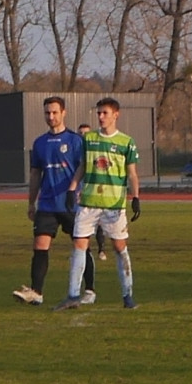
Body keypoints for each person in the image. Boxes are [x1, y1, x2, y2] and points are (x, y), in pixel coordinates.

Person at [54, 97, 141, 310]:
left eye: (105, 113)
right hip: (88, 203)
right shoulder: (89, 139)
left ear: (115, 115)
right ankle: (73, 295)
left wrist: (136, 198)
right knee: (79, 245)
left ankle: (127, 295)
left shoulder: (126, 142)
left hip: (113, 205)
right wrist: (72, 187)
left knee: (119, 248)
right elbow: (83, 166)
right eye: (99, 113)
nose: (101, 117)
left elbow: (132, 174)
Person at [12, 99, 88, 306]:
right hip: (47, 204)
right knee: (40, 245)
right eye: (47, 113)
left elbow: (84, 169)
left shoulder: (76, 141)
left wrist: (80, 192)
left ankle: (89, 290)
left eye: (54, 112)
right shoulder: (39, 143)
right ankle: (36, 292)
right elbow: (36, 174)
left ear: (64, 113)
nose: (51, 117)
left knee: (81, 247)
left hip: (71, 203)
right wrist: (31, 203)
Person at [77, 122, 107, 261]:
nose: (83, 136)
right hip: (81, 192)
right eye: (80, 133)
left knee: (99, 222)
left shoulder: (97, 150)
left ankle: (101, 250)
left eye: (85, 133)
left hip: (97, 192)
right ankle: (85, 252)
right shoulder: (76, 151)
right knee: (82, 225)